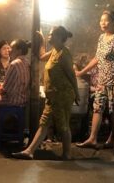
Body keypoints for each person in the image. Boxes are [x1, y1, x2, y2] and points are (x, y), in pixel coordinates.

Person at [12, 26, 79, 160]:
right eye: (49, 34)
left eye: (51, 34)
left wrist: (76, 93)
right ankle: (29, 151)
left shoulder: (64, 54)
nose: (49, 36)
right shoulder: (54, 51)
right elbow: (42, 56)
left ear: (60, 37)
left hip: (62, 95)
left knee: (63, 124)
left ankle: (67, 154)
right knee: (44, 123)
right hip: (53, 96)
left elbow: (72, 75)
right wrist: (41, 40)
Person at [75, 10, 114, 149]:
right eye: (101, 20)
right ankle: (92, 139)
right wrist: (81, 72)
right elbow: (97, 58)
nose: (102, 23)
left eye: (106, 20)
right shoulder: (101, 38)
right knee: (97, 109)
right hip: (102, 82)